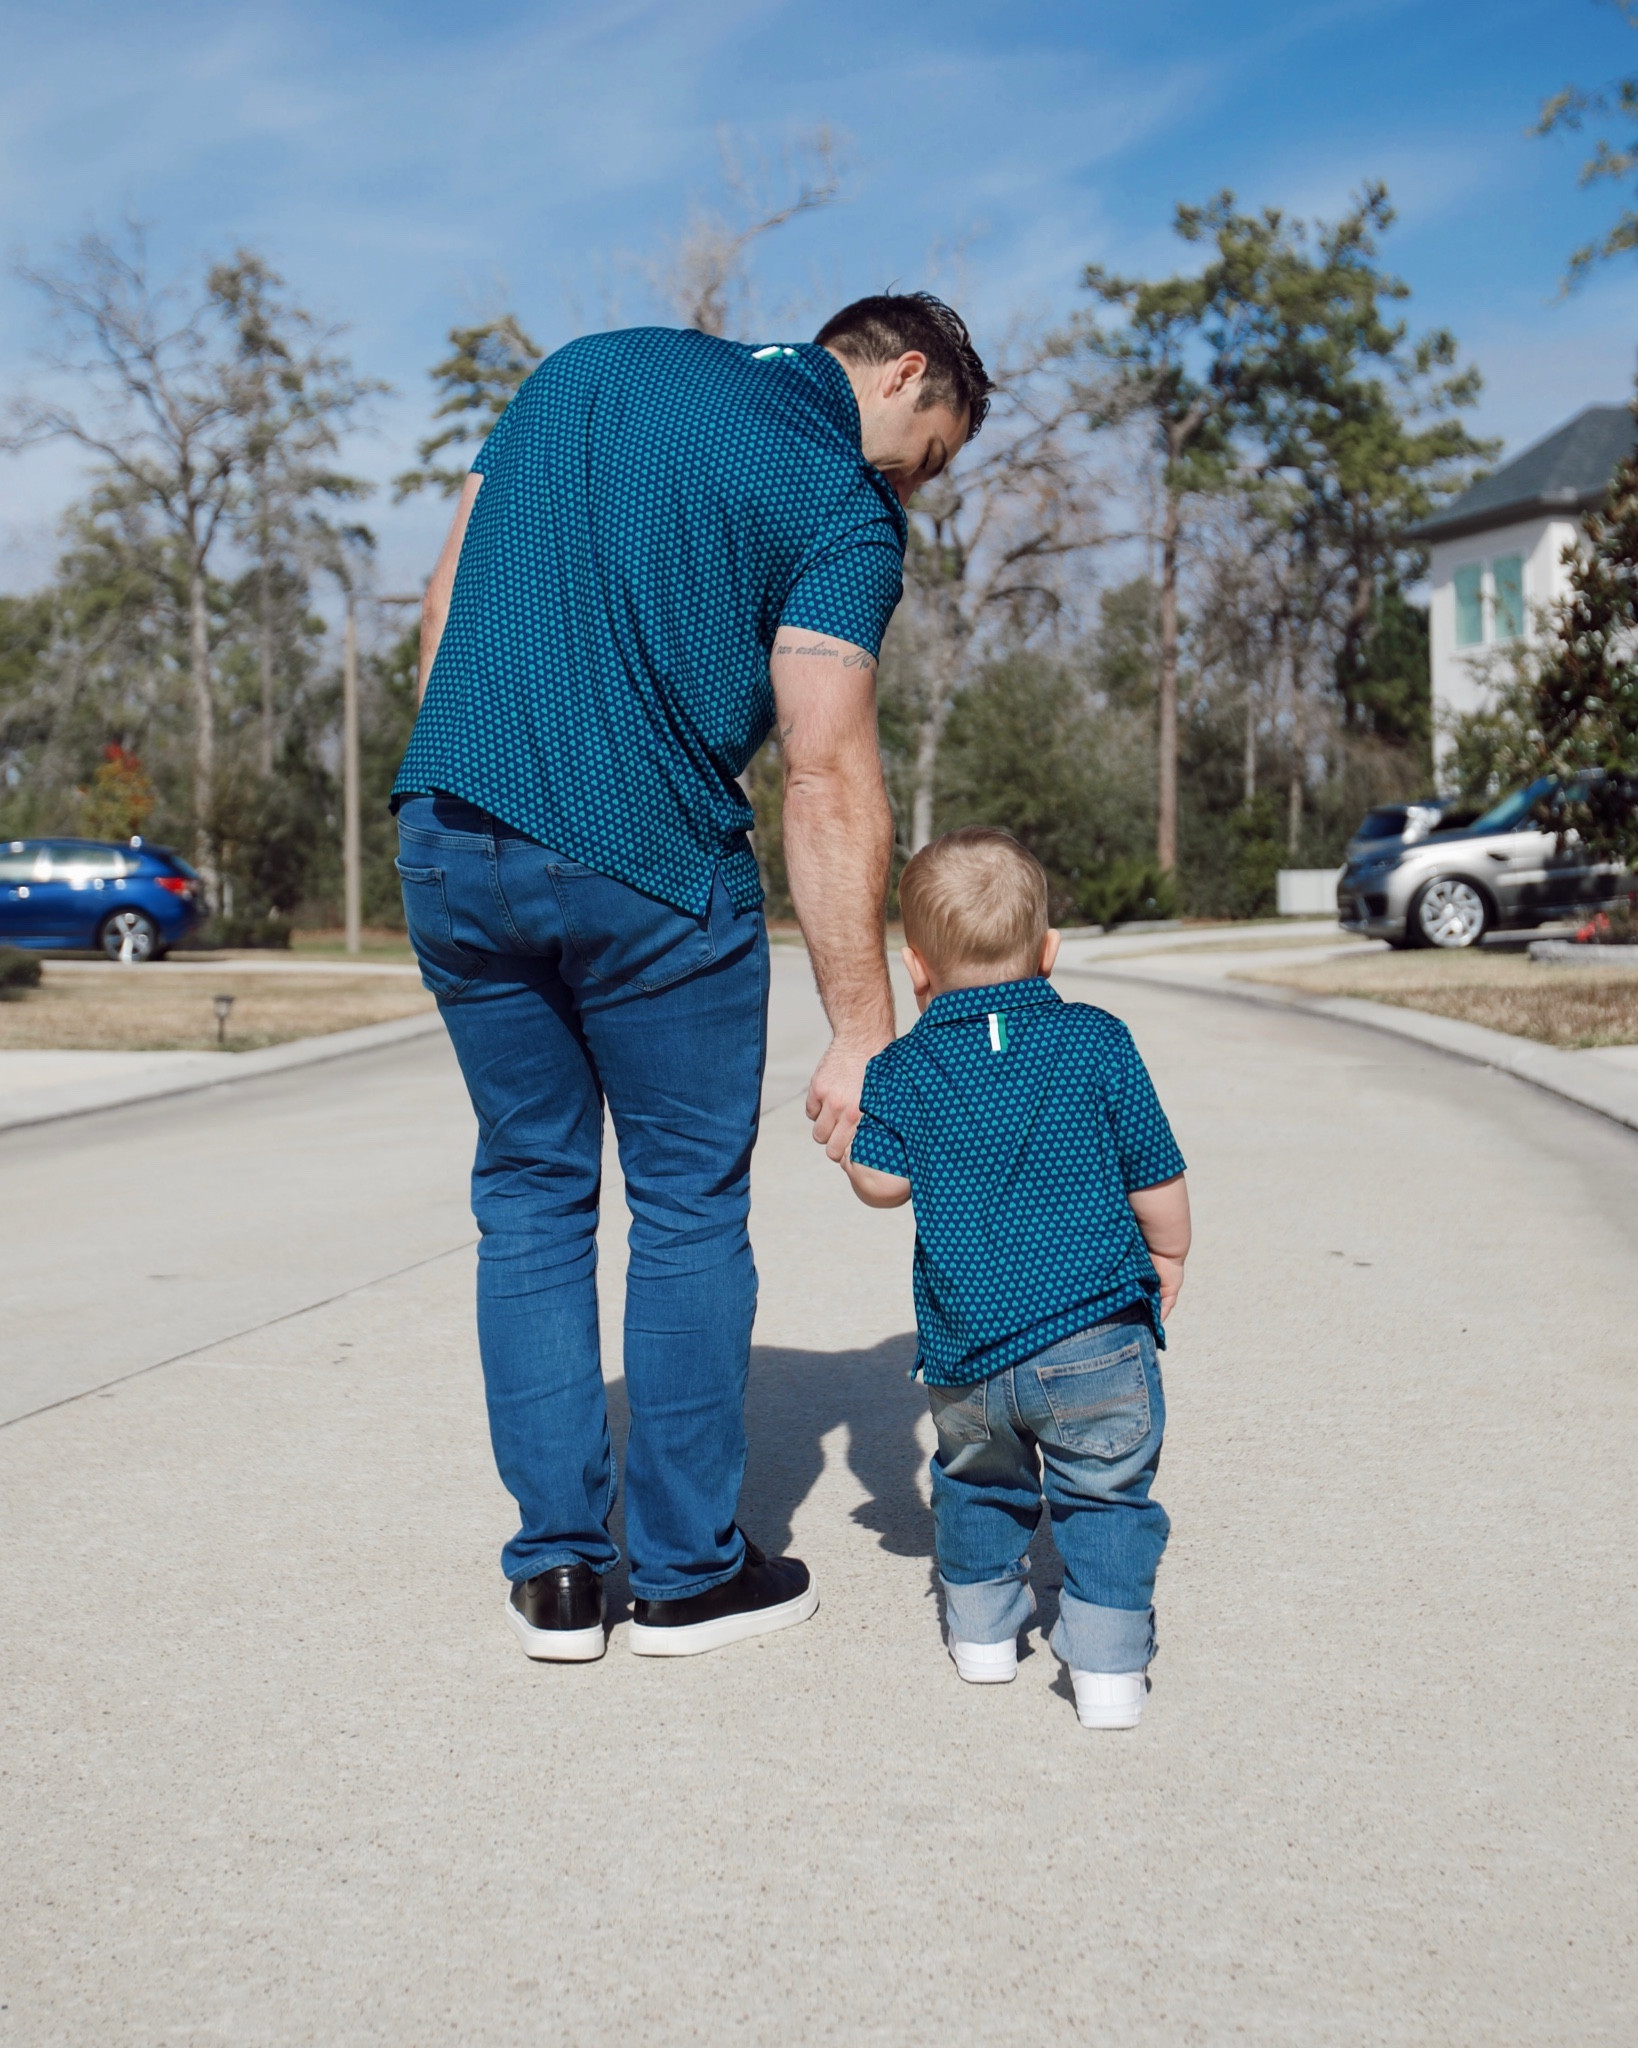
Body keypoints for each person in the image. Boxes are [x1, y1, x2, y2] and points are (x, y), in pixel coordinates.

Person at [393, 295, 994, 1662]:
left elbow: (444, 600)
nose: (915, 482)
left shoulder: (582, 366)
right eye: (929, 450)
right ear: (900, 371)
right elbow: (827, 773)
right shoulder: (841, 508)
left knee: (532, 1196)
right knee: (682, 1210)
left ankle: (555, 1581)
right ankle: (678, 1574)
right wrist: (864, 1037)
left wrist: (457, 795)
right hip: (647, 872)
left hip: (451, 834)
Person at [842, 828, 1190, 1728]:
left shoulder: (903, 1067)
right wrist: (1172, 1255)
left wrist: (852, 1142)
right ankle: (1109, 1674)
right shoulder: (1096, 1040)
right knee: (1106, 1495)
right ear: (1049, 951)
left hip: (968, 1350)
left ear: (916, 969)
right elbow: (1153, 1170)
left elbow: (882, 1184)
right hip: (1095, 1337)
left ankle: (985, 1639)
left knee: (976, 1484)